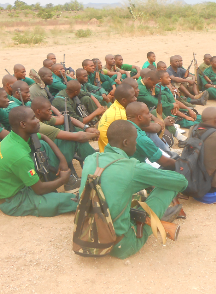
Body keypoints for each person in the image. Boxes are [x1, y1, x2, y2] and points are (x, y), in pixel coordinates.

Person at [79, 120, 188, 259]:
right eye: (135, 140)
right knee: (170, 185)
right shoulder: (132, 167)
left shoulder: (90, 159)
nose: (136, 144)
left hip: (87, 234)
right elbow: (181, 182)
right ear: (126, 142)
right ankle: (154, 217)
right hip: (121, 245)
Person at [0, 106, 77, 217]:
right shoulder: (19, 155)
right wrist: (63, 179)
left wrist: (62, 159)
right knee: (70, 200)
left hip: (16, 188)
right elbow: (39, 189)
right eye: (34, 118)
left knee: (42, 154)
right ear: (23, 124)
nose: (38, 120)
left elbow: (42, 136)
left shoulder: (16, 136)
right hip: (14, 201)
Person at [30, 97, 98, 190]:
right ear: (38, 111)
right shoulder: (40, 126)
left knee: (70, 133)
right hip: (47, 165)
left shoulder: (41, 118)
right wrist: (94, 134)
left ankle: (91, 167)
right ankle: (97, 167)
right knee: (75, 138)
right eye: (48, 110)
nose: (50, 112)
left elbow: (66, 118)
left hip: (48, 156)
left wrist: (86, 128)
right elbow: (78, 137)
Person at [125, 102, 177, 169]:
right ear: (139, 117)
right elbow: (166, 162)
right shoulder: (140, 138)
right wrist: (183, 166)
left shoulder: (125, 126)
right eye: (148, 113)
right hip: (135, 170)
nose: (150, 116)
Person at [96, 83, 137, 151]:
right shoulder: (121, 115)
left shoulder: (115, 106)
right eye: (133, 97)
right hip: (111, 153)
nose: (135, 99)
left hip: (106, 149)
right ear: (124, 100)